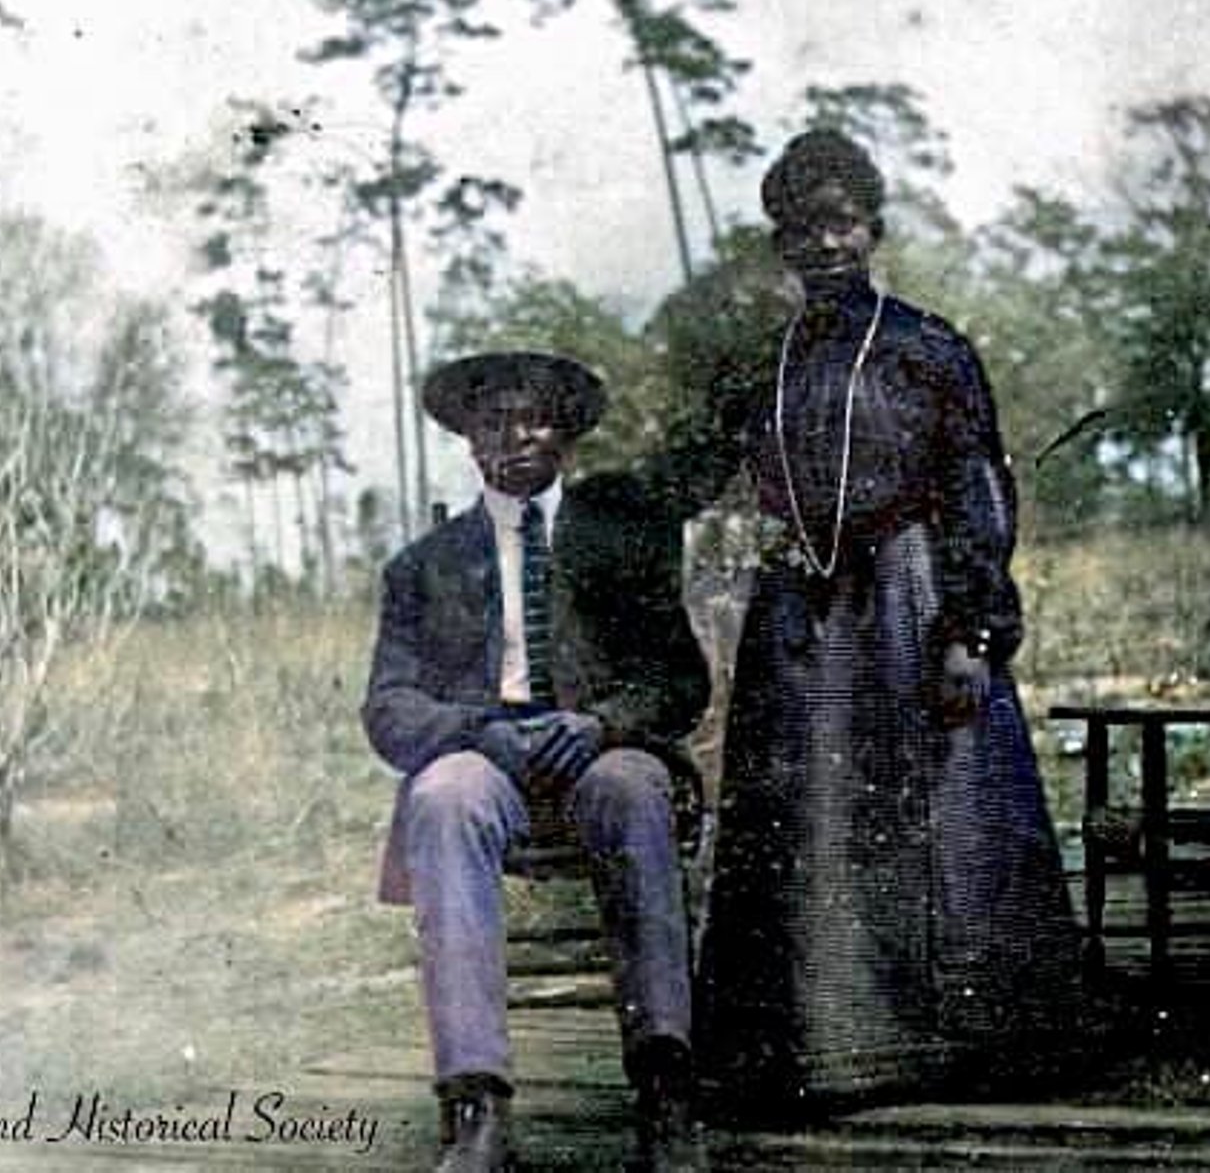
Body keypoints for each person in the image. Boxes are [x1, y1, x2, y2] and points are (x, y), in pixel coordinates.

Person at [694, 130, 1082, 1115]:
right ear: (780, 244)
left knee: (945, 811)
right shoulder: (760, 365)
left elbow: (975, 489)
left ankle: (969, 1046)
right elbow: (693, 476)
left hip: (911, 601)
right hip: (804, 611)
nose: (822, 244)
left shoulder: (926, 347)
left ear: (871, 227)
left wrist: (973, 631)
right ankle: (835, 1044)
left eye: (839, 222)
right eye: (799, 230)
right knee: (810, 819)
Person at [362, 350, 712, 1172]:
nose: (514, 438)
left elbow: (676, 679)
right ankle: (475, 1105)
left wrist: (601, 723)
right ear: (468, 440)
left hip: (597, 749)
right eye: (492, 422)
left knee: (632, 793)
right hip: (486, 751)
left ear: (566, 434)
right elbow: (388, 705)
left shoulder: (620, 536)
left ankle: (665, 1089)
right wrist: (473, 728)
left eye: (533, 420)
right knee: (443, 800)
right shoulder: (425, 565)